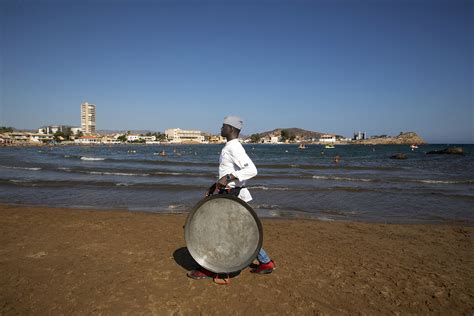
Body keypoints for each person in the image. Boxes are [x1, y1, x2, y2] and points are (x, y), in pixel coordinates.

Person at [187, 116, 276, 280]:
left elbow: (252, 170)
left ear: (231, 129)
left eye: (223, 126)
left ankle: (211, 268)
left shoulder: (234, 147)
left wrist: (229, 178)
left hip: (232, 195)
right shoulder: (230, 146)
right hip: (230, 193)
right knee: (241, 231)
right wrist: (215, 185)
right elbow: (227, 172)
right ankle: (265, 262)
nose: (220, 129)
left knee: (220, 230)